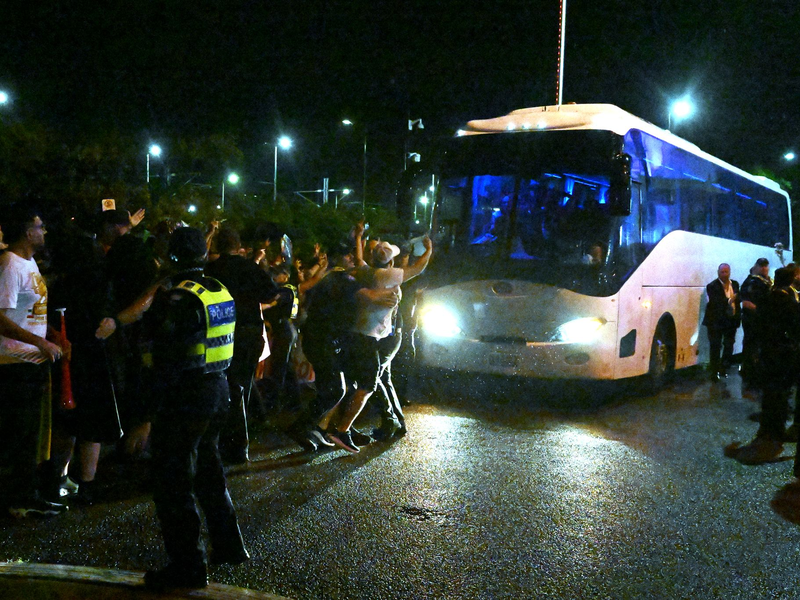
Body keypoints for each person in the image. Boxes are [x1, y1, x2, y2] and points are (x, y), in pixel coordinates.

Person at [130, 228, 248, 590]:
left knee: (174, 482)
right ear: (204, 253)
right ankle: (229, 545)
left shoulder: (177, 299)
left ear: (171, 258)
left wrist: (146, 416)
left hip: (186, 395)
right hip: (218, 388)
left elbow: (166, 361)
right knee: (209, 469)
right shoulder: (217, 289)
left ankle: (188, 566)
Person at [318, 236, 433, 453]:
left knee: (358, 384)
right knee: (368, 385)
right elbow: (418, 269)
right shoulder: (385, 275)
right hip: (368, 338)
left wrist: (360, 237)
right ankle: (341, 430)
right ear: (391, 264)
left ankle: (329, 426)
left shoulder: (366, 271)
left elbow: (360, 260)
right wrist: (428, 250)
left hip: (362, 335)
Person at [0, 204, 68, 518]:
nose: (44, 231)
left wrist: (52, 334)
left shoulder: (29, 263)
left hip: (33, 361)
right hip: (14, 363)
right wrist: (38, 341)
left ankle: (28, 494)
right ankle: (17, 500)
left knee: (32, 435)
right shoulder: (10, 265)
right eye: (40, 226)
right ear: (28, 232)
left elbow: (30, 313)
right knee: (19, 435)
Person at [205, 225, 277, 463]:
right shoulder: (249, 268)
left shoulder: (211, 269)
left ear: (217, 245)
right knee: (240, 387)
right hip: (248, 333)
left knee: (224, 386)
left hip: (220, 333)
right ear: (238, 247)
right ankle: (238, 445)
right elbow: (271, 294)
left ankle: (224, 440)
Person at [731, 265, 800, 465]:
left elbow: (758, 322)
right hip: (784, 353)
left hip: (768, 353)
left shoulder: (768, 298)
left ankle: (767, 429)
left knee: (770, 392)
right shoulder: (788, 300)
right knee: (781, 392)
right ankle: (776, 429)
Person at [702, 263, 740, 380]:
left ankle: (723, 368)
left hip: (731, 320)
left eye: (726, 272)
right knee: (715, 346)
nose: (724, 274)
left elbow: (738, 299)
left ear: (729, 272)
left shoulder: (735, 284)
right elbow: (716, 302)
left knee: (729, 345)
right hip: (716, 321)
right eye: (722, 272)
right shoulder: (712, 286)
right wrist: (730, 299)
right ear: (718, 272)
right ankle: (714, 371)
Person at [739, 258, 772, 387]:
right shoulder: (751, 282)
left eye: (766, 266)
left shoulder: (765, 281)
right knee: (751, 346)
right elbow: (746, 303)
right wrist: (762, 311)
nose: (764, 268)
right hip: (753, 320)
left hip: (761, 320)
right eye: (761, 266)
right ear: (756, 267)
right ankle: (749, 373)